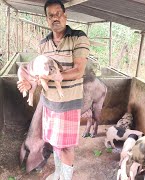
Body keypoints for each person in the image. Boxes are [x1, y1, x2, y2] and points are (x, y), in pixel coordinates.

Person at [17, 0, 90, 179]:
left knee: (66, 146)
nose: (55, 18)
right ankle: (58, 173)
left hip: (68, 103)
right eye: (51, 15)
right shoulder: (44, 43)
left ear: (65, 15)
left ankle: (66, 177)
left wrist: (57, 76)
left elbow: (79, 70)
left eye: (58, 13)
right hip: (49, 103)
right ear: (47, 19)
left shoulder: (78, 37)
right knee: (55, 143)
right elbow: (40, 76)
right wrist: (30, 84)